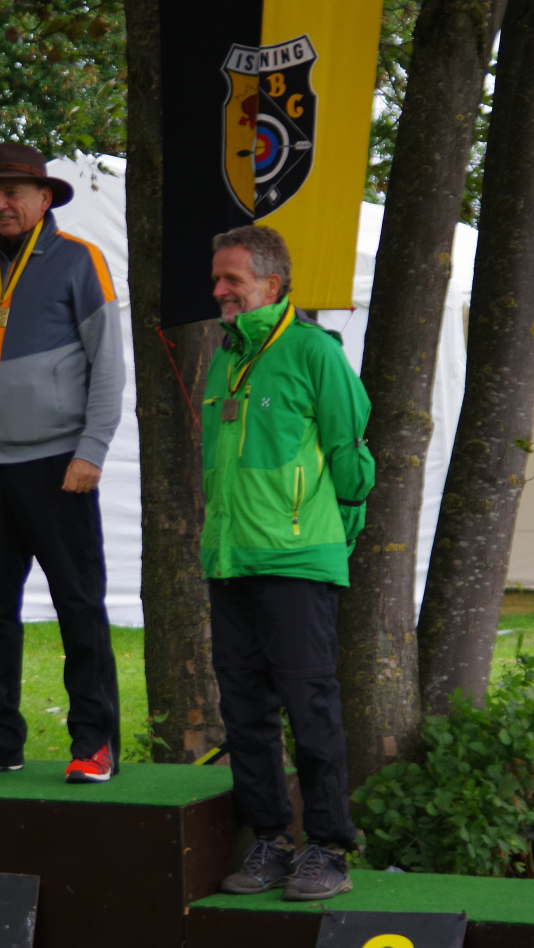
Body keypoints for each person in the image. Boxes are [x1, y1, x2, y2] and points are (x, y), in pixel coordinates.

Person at [0, 143, 126, 784]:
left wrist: (91, 450)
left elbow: (108, 363)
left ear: (45, 199)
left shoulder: (79, 260)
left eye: (14, 192)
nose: (1, 203)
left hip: (57, 463)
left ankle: (95, 741)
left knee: (77, 603)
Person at [202, 226, 375, 899]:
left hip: (298, 561)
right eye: (217, 279)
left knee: (310, 707)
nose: (219, 290)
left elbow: (351, 458)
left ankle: (329, 847)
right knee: (244, 712)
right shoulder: (225, 357)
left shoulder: (313, 350)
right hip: (230, 560)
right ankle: (271, 841)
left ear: (272, 285)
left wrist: (330, 536)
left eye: (232, 280)